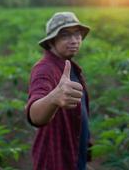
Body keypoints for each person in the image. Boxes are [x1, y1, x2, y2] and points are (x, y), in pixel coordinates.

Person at [26, 12, 91, 170]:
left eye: (77, 34)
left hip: (74, 154)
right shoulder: (45, 69)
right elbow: (34, 115)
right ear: (51, 42)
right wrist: (53, 98)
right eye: (65, 35)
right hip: (56, 161)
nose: (74, 40)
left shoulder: (69, 66)